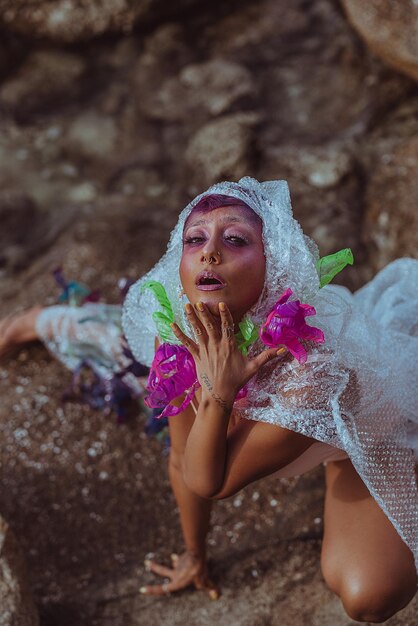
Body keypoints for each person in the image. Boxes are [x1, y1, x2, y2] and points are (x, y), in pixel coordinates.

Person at [1, 177, 417, 621]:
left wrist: (218, 395)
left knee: (369, 596)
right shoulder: (178, 336)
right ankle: (36, 320)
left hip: (379, 429)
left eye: (235, 239)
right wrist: (194, 553)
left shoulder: (311, 373)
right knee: (121, 350)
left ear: (272, 265)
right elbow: (184, 460)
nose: (209, 252)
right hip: (231, 369)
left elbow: (212, 482)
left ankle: (345, 456)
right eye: (194, 238)